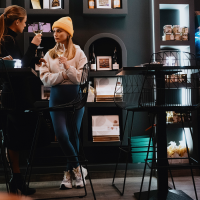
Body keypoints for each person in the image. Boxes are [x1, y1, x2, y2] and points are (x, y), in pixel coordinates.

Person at [39, 16, 88, 189]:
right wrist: (63, 75)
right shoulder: (49, 54)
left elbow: (82, 78)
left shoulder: (79, 53)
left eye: (59, 30)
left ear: (68, 33)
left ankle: (68, 175)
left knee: (74, 136)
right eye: (54, 31)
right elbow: (45, 79)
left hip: (76, 100)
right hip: (56, 99)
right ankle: (78, 168)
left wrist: (67, 67)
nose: (55, 34)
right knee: (61, 135)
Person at [0, 5, 42, 195]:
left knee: (13, 138)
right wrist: (33, 45)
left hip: (10, 95)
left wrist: (32, 60)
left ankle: (16, 179)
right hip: (15, 97)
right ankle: (17, 179)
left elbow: (17, 64)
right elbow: (20, 66)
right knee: (15, 138)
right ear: (16, 21)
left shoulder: (7, 38)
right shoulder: (8, 39)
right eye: (24, 22)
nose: (25, 26)